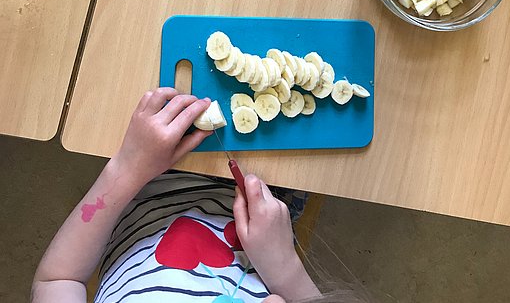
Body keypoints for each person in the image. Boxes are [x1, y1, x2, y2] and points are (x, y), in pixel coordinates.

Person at [31, 88, 322, 303]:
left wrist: (127, 168)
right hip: (270, 209)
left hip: (146, 182)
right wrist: (284, 269)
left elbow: (57, 279)